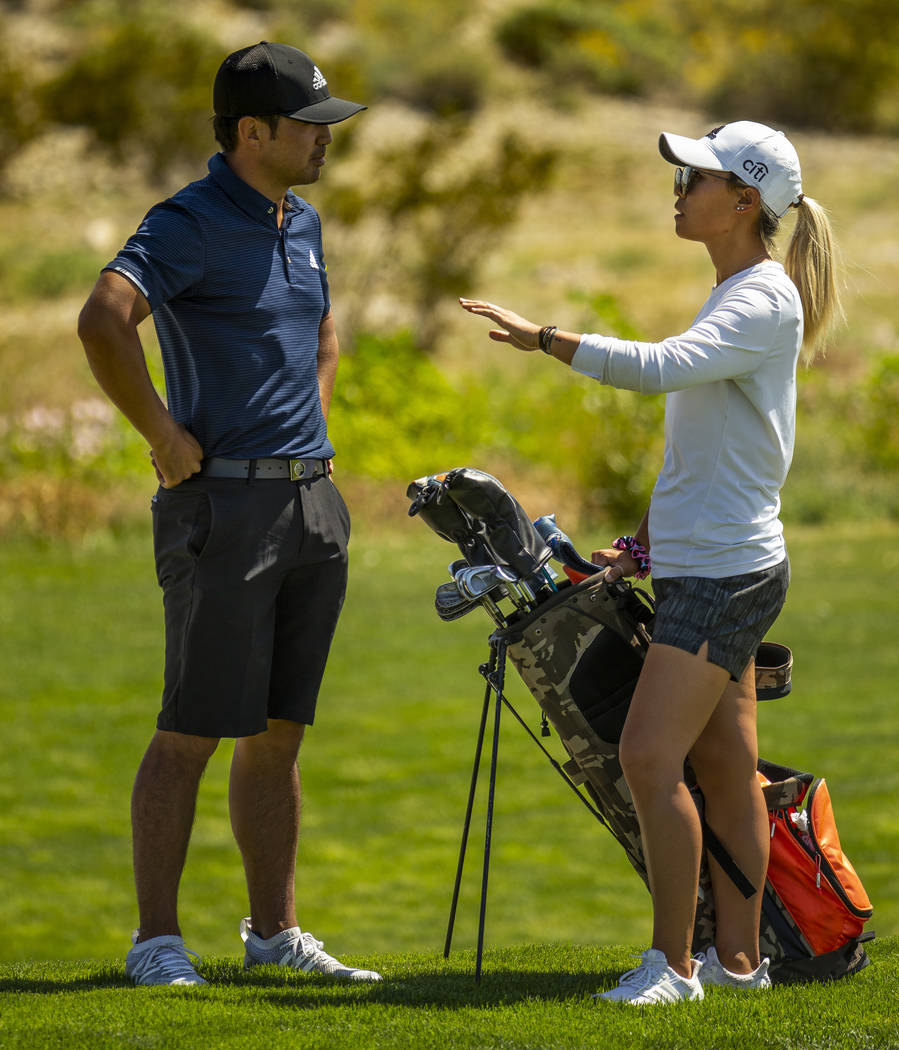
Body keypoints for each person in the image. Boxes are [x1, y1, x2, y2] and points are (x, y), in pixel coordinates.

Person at [460, 120, 841, 1005]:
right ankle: (738, 963)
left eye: (695, 177)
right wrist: (641, 544)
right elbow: (705, 454)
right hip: (709, 563)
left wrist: (541, 338)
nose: (678, 190)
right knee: (720, 766)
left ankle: (671, 966)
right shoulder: (737, 292)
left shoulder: (758, 299)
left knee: (645, 757)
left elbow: (659, 370)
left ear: (744, 200)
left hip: (721, 576)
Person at [77, 41, 381, 987]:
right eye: (309, 127)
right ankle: (156, 943)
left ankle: (272, 934)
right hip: (222, 512)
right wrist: (162, 434)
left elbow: (322, 331)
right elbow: (102, 319)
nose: (325, 142)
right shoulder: (188, 222)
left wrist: (313, 433)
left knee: (279, 731)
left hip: (310, 505)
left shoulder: (303, 219)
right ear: (254, 133)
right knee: (190, 731)